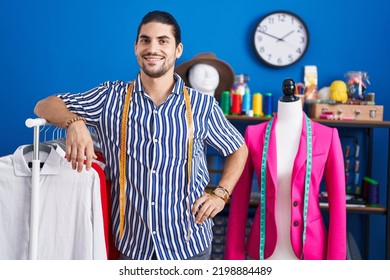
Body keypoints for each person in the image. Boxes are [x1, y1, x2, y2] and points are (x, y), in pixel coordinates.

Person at [34, 10, 248, 260]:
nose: (152, 48)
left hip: (190, 244)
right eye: (145, 40)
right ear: (136, 47)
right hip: (134, 248)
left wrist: (221, 194)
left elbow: (238, 148)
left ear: (178, 49)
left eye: (163, 41)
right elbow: (44, 106)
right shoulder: (109, 98)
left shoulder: (202, 106)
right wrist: (75, 122)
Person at [224, 79, 346, 260]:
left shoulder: (327, 136)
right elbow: (239, 202)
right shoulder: (253, 135)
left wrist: (336, 263)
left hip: (310, 249)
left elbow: (338, 207)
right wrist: (233, 259)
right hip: (265, 248)